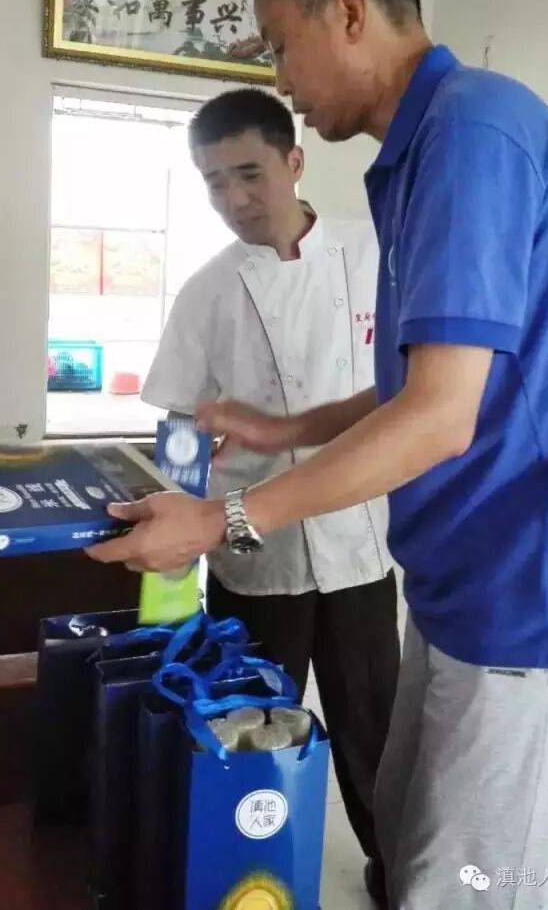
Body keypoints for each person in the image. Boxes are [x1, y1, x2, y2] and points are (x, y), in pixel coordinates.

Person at [90, 0, 548, 910]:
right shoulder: (414, 158)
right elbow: (424, 383)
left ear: (351, 12)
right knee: (404, 850)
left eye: (283, 44)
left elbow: (439, 417)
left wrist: (222, 518)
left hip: (519, 592)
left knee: (474, 888)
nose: (281, 77)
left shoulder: (473, 133)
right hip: (450, 584)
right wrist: (280, 431)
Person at [141, 87, 399, 893]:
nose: (233, 199)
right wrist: (173, 558)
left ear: (294, 160)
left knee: (374, 727)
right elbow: (180, 429)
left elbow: (410, 391)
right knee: (248, 726)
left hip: (360, 541)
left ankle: (395, 865)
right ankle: (244, 872)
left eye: (249, 174)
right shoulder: (207, 291)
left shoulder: (375, 253)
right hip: (252, 549)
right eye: (214, 182)